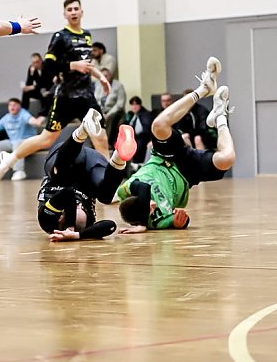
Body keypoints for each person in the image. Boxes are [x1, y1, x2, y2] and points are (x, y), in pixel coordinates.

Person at [0, 0, 111, 184]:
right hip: (65, 97)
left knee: (101, 138)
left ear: (81, 12)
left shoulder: (86, 35)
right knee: (46, 139)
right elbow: (48, 68)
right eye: (69, 10)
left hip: (86, 96)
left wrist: (101, 77)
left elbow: (86, 64)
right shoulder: (60, 37)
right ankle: (8, 160)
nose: (73, 12)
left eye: (76, 9)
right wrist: (72, 66)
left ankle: (106, 185)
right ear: (64, 14)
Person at [117, 57, 235, 232]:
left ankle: (203, 89)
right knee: (227, 158)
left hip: (165, 156)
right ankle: (220, 116)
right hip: (187, 174)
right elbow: (180, 221)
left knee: (158, 126)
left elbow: (143, 187)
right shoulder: (156, 222)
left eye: (148, 205)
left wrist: (142, 223)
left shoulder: (127, 190)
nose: (153, 206)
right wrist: (180, 222)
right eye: (150, 212)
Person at [38, 110, 137, 241]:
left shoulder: (48, 221)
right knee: (106, 196)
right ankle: (120, 154)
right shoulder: (88, 220)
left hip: (67, 158)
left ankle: (83, 129)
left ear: (61, 215)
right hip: (90, 167)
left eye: (76, 208)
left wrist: (70, 226)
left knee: (59, 172)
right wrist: (78, 235)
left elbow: (67, 194)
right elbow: (110, 226)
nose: (79, 205)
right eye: (81, 209)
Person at [95, 67, 126, 145]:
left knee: (111, 117)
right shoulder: (98, 85)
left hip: (116, 111)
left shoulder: (118, 86)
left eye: (106, 75)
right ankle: (95, 143)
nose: (104, 78)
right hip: (102, 111)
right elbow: (96, 101)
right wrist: (101, 113)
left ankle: (108, 143)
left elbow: (120, 104)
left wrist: (107, 114)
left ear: (110, 76)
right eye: (102, 76)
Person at [124, 96, 153, 164]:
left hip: (144, 140)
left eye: (136, 104)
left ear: (140, 105)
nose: (134, 107)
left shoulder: (146, 115)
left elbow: (146, 130)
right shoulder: (132, 115)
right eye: (132, 104)